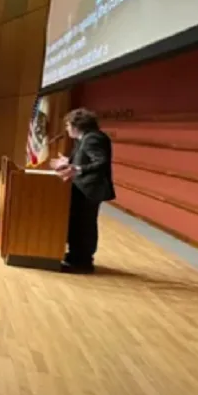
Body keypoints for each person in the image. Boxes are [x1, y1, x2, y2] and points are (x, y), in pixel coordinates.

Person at [52, 108, 115, 273]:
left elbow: (101, 162)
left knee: (85, 225)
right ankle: (75, 256)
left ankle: (84, 262)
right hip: (82, 187)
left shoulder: (93, 138)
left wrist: (77, 168)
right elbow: (85, 159)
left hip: (90, 189)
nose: (66, 128)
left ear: (76, 125)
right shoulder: (84, 139)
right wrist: (67, 161)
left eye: (68, 125)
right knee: (77, 223)